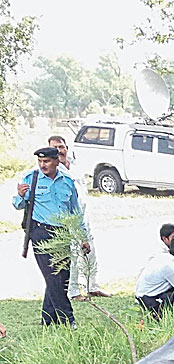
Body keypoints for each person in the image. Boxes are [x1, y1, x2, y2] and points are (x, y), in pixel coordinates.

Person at [13, 146, 90, 327]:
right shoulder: (31, 179)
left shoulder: (67, 182)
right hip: (41, 233)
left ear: (57, 161)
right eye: (40, 161)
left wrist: (83, 237)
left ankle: (48, 320)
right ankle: (68, 319)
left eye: (46, 161)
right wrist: (20, 196)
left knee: (62, 277)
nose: (42, 165)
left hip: (62, 234)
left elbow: (75, 212)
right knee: (52, 276)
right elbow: (18, 205)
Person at [49, 135, 108, 301]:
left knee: (91, 251)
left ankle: (91, 286)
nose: (59, 151)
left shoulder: (75, 166)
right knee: (74, 253)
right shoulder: (53, 171)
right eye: (55, 148)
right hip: (68, 218)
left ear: (66, 148)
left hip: (83, 214)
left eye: (61, 147)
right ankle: (73, 291)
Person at [136, 236, 174, 317]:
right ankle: (157, 313)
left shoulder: (163, 258)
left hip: (143, 294)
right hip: (149, 299)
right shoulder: (170, 268)